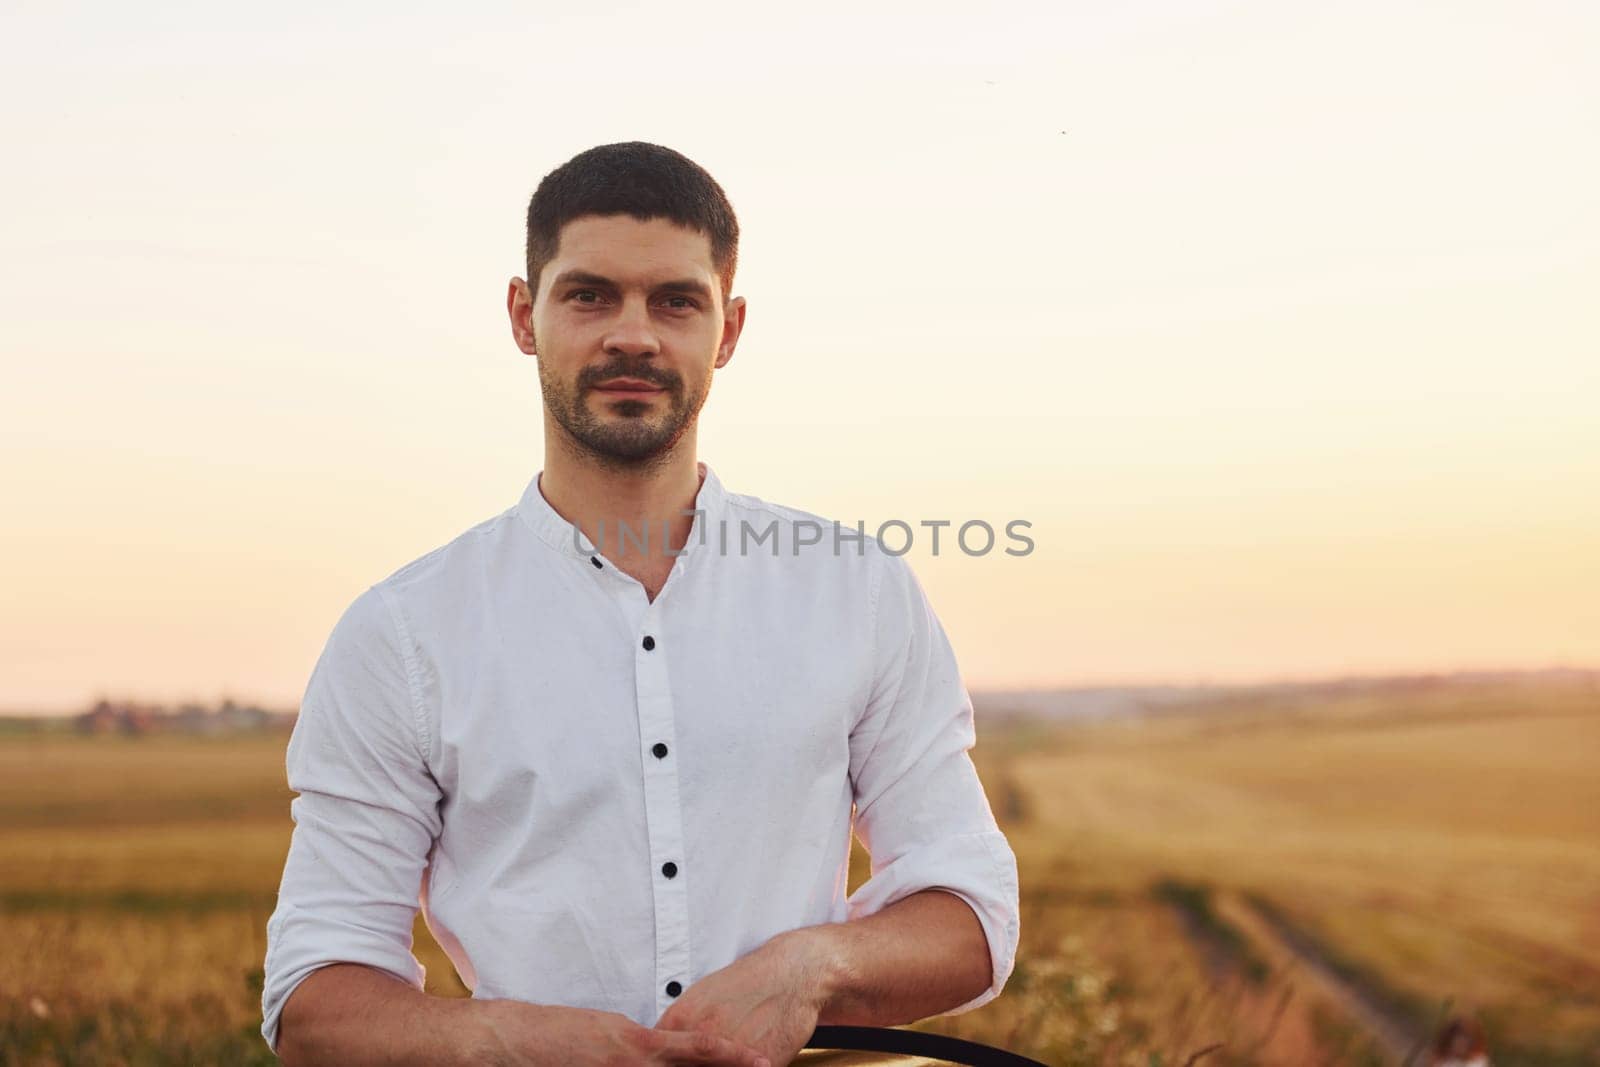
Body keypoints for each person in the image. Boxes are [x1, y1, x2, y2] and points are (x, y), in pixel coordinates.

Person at [260, 141, 1021, 1067]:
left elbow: (972, 918)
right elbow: (314, 995)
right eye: (589, 295)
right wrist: (513, 1041)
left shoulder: (855, 588)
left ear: (728, 330)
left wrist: (810, 966)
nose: (633, 334)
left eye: (675, 300)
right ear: (522, 314)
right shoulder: (403, 635)